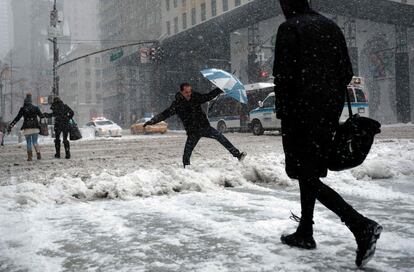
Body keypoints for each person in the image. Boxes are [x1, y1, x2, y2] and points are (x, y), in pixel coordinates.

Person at [273, 0, 382, 268]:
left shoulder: (289, 28)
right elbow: (346, 72)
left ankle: (360, 225)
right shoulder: (331, 26)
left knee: (304, 173)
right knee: (309, 170)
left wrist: (285, 112)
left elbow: (283, 77)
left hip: (299, 113)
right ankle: (306, 232)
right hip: (326, 113)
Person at [144, 83, 246, 167]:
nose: (189, 94)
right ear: (181, 92)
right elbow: (165, 114)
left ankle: (237, 155)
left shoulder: (195, 97)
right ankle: (186, 168)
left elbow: (208, 96)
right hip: (193, 131)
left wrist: (220, 89)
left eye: (190, 91)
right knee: (187, 153)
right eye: (186, 92)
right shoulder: (177, 105)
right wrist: (152, 121)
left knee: (221, 137)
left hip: (204, 127)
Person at [7, 93, 43, 161]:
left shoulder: (23, 109)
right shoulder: (36, 108)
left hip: (27, 128)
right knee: (35, 142)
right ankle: (38, 155)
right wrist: (41, 123)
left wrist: (11, 125)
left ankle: (30, 157)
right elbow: (41, 116)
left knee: (28, 142)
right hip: (35, 127)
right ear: (31, 101)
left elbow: (17, 118)